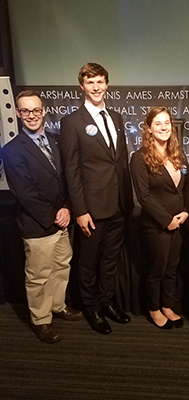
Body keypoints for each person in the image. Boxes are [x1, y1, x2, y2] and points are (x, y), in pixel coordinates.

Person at [1, 90, 83, 343]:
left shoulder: (57, 140)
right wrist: (54, 215)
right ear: (17, 113)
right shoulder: (11, 150)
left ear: (44, 111)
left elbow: (69, 177)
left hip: (62, 218)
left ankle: (58, 305)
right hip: (38, 224)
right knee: (38, 276)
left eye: (36, 110)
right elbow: (25, 193)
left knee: (61, 266)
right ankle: (41, 320)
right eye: (25, 111)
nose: (31, 115)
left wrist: (67, 207)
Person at [59, 63, 134, 335]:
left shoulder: (115, 117)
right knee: (88, 263)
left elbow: (121, 161)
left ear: (107, 84)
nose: (96, 87)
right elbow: (71, 169)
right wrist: (79, 209)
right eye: (90, 83)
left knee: (110, 260)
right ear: (82, 86)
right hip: (91, 208)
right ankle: (91, 308)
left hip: (118, 205)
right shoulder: (71, 122)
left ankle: (107, 302)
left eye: (100, 82)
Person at [130, 106, 189, 329]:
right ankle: (154, 309)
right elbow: (143, 196)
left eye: (167, 123)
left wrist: (186, 210)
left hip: (180, 222)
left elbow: (185, 188)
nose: (164, 127)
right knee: (157, 269)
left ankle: (167, 304)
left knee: (171, 267)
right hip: (157, 225)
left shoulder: (178, 154)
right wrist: (167, 220)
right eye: (158, 123)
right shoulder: (139, 158)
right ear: (148, 128)